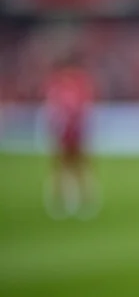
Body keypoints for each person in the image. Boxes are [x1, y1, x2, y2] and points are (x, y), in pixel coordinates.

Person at [43, 53, 99, 219]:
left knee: (79, 167)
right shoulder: (58, 84)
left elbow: (84, 109)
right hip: (64, 132)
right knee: (62, 167)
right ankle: (63, 201)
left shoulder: (79, 84)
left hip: (76, 131)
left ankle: (83, 200)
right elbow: (54, 110)